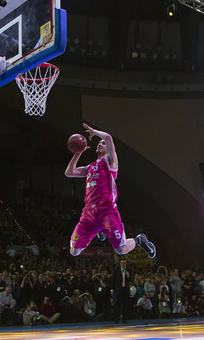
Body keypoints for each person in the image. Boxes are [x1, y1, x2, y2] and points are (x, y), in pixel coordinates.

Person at [64, 123, 156, 258]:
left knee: (121, 249)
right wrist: (78, 153)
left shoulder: (110, 163)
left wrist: (94, 132)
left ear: (109, 149)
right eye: (98, 143)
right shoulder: (91, 167)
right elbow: (69, 172)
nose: (99, 144)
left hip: (107, 211)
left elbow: (108, 138)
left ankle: (139, 240)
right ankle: (100, 230)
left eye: (102, 143)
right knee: (75, 251)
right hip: (88, 213)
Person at [112, 259, 132, 323]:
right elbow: (113, 279)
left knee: (125, 304)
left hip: (125, 290)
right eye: (122, 263)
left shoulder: (128, 270)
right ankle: (116, 319)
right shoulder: (116, 270)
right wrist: (112, 289)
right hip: (118, 289)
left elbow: (131, 280)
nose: (123, 264)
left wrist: (128, 275)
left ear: (126, 264)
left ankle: (124, 319)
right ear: (120, 264)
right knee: (117, 304)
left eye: (124, 263)